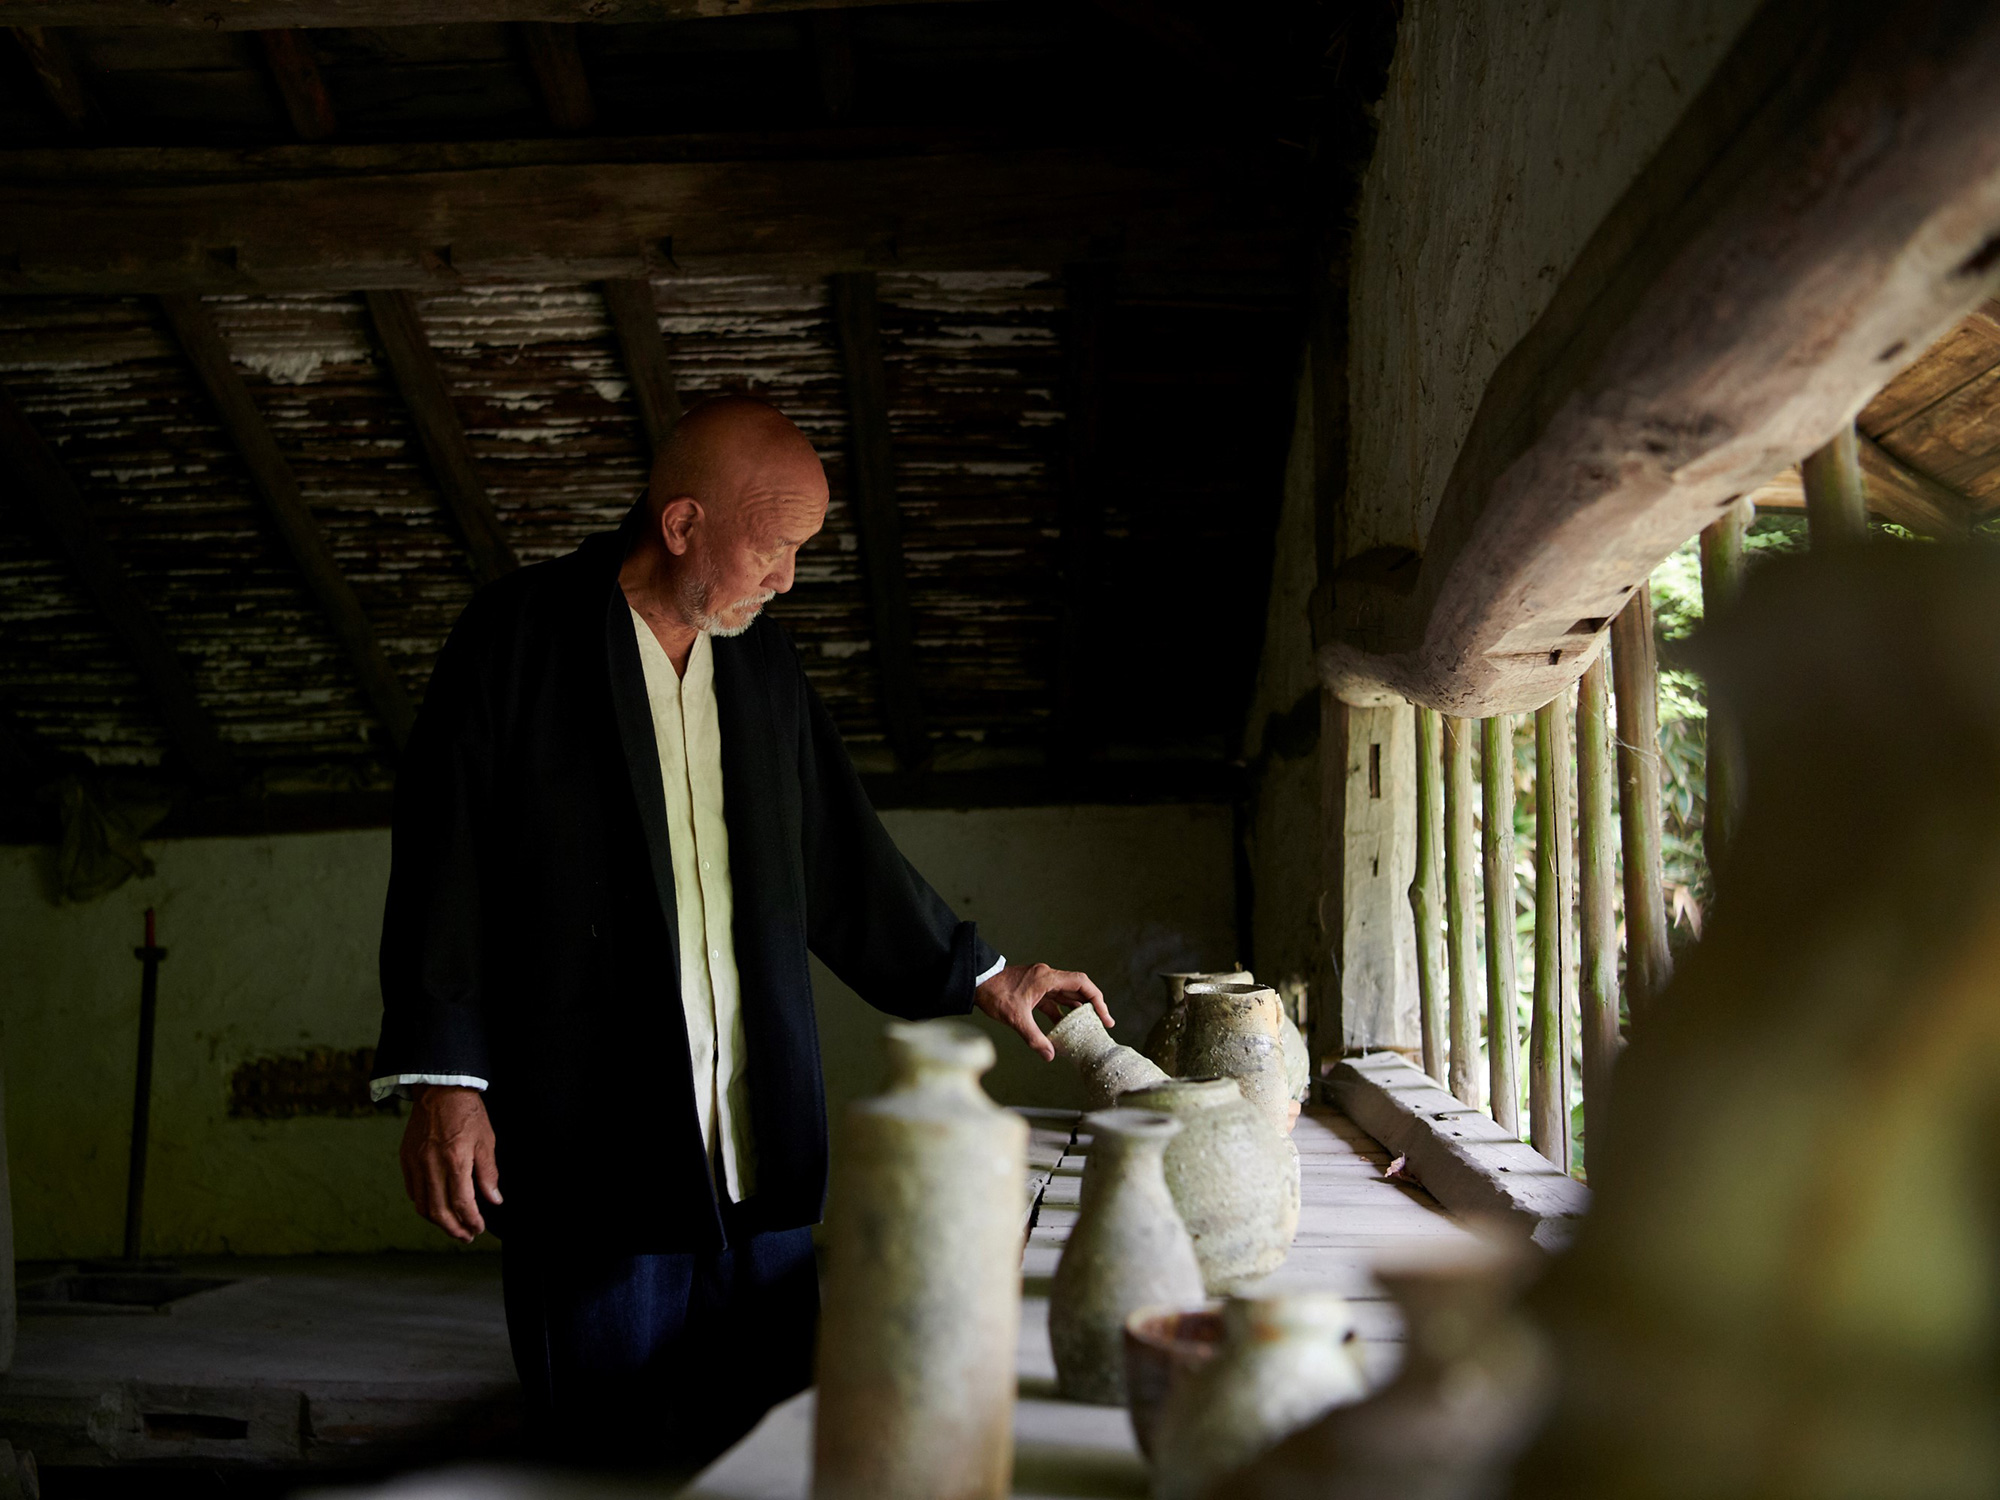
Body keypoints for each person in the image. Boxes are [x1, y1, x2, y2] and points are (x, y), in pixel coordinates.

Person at [371, 394, 1106, 1472]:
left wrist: (984, 974)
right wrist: (448, 1084)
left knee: (766, 1448)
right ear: (681, 526)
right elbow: (444, 868)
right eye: (775, 550)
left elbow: (841, 859)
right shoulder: (517, 642)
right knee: (603, 1456)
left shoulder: (760, 669)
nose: (788, 580)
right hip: (593, 1148)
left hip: (752, 1154)